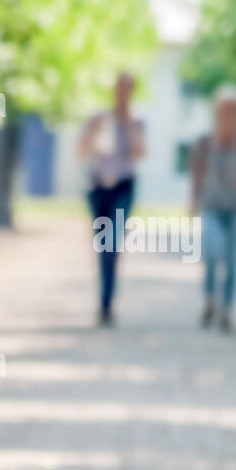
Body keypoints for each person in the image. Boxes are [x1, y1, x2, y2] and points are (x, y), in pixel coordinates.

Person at [78, 72, 146, 326]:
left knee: (113, 241)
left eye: (127, 89)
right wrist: (93, 132)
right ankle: (104, 298)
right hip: (98, 187)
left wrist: (128, 124)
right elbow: (82, 151)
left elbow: (140, 153)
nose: (122, 93)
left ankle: (107, 301)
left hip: (123, 187)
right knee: (102, 245)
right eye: (119, 88)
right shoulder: (99, 118)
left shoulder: (138, 120)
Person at [190, 86, 236, 333]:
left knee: (233, 261)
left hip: (235, 208)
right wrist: (193, 202)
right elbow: (197, 173)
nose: (228, 113)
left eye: (233, 109)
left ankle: (227, 308)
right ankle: (209, 300)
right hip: (212, 206)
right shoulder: (205, 142)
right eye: (224, 108)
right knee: (212, 253)